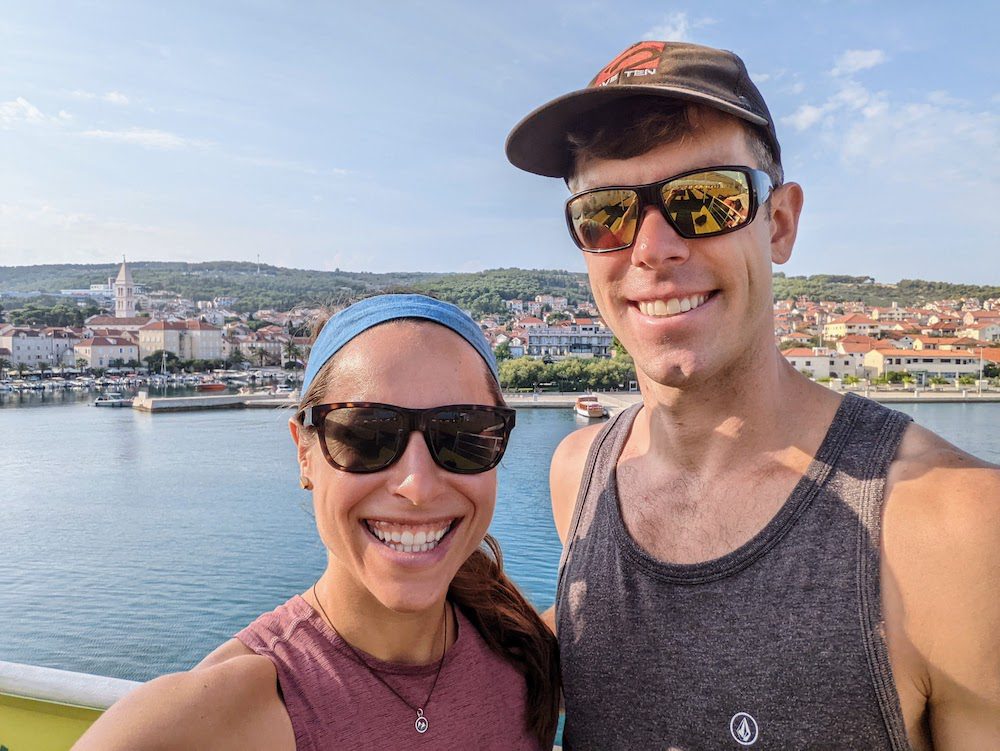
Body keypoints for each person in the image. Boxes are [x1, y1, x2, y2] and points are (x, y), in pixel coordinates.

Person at [506, 40, 1000, 749]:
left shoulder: (956, 527)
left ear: (781, 222)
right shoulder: (579, 475)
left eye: (704, 202)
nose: (651, 249)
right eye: (606, 214)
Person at [74, 294, 560, 750]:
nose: (418, 485)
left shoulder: (523, 650)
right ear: (304, 454)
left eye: (464, 434)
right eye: (366, 435)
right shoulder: (224, 712)